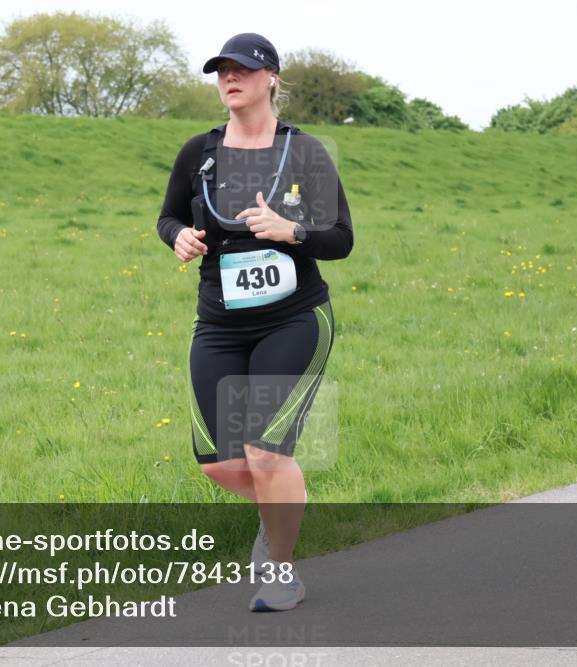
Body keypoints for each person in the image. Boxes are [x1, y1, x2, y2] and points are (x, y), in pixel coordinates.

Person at [156, 33, 354, 611]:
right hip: (219, 324)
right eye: (222, 70)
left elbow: (342, 238)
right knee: (220, 464)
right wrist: (179, 237)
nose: (229, 78)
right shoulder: (199, 152)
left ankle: (282, 572)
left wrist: (293, 231)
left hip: (293, 320)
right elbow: (167, 216)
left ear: (271, 78)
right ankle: (281, 504)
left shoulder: (304, 152)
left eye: (241, 69)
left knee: (266, 452)